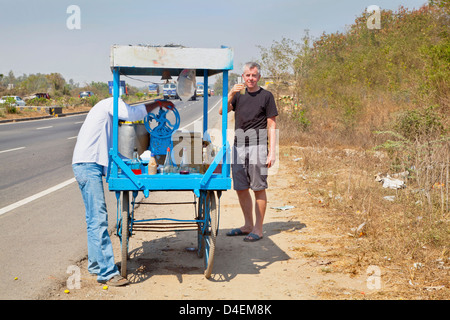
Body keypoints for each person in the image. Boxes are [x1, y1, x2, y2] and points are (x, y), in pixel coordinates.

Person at [72, 97, 174, 286]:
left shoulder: (105, 111)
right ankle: (108, 273)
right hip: (87, 165)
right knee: (98, 219)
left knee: (93, 219)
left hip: (84, 163)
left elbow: (114, 148)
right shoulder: (111, 102)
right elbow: (132, 114)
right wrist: (158, 104)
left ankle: (96, 264)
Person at [219, 62, 278, 242]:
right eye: (247, 75)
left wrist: (272, 152)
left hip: (258, 146)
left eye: (254, 75)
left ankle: (258, 229)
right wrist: (230, 94)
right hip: (238, 146)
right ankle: (247, 225)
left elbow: (272, 124)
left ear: (259, 77)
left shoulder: (266, 96)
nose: (250, 78)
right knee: (241, 187)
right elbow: (222, 111)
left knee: (258, 188)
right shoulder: (239, 95)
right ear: (243, 77)